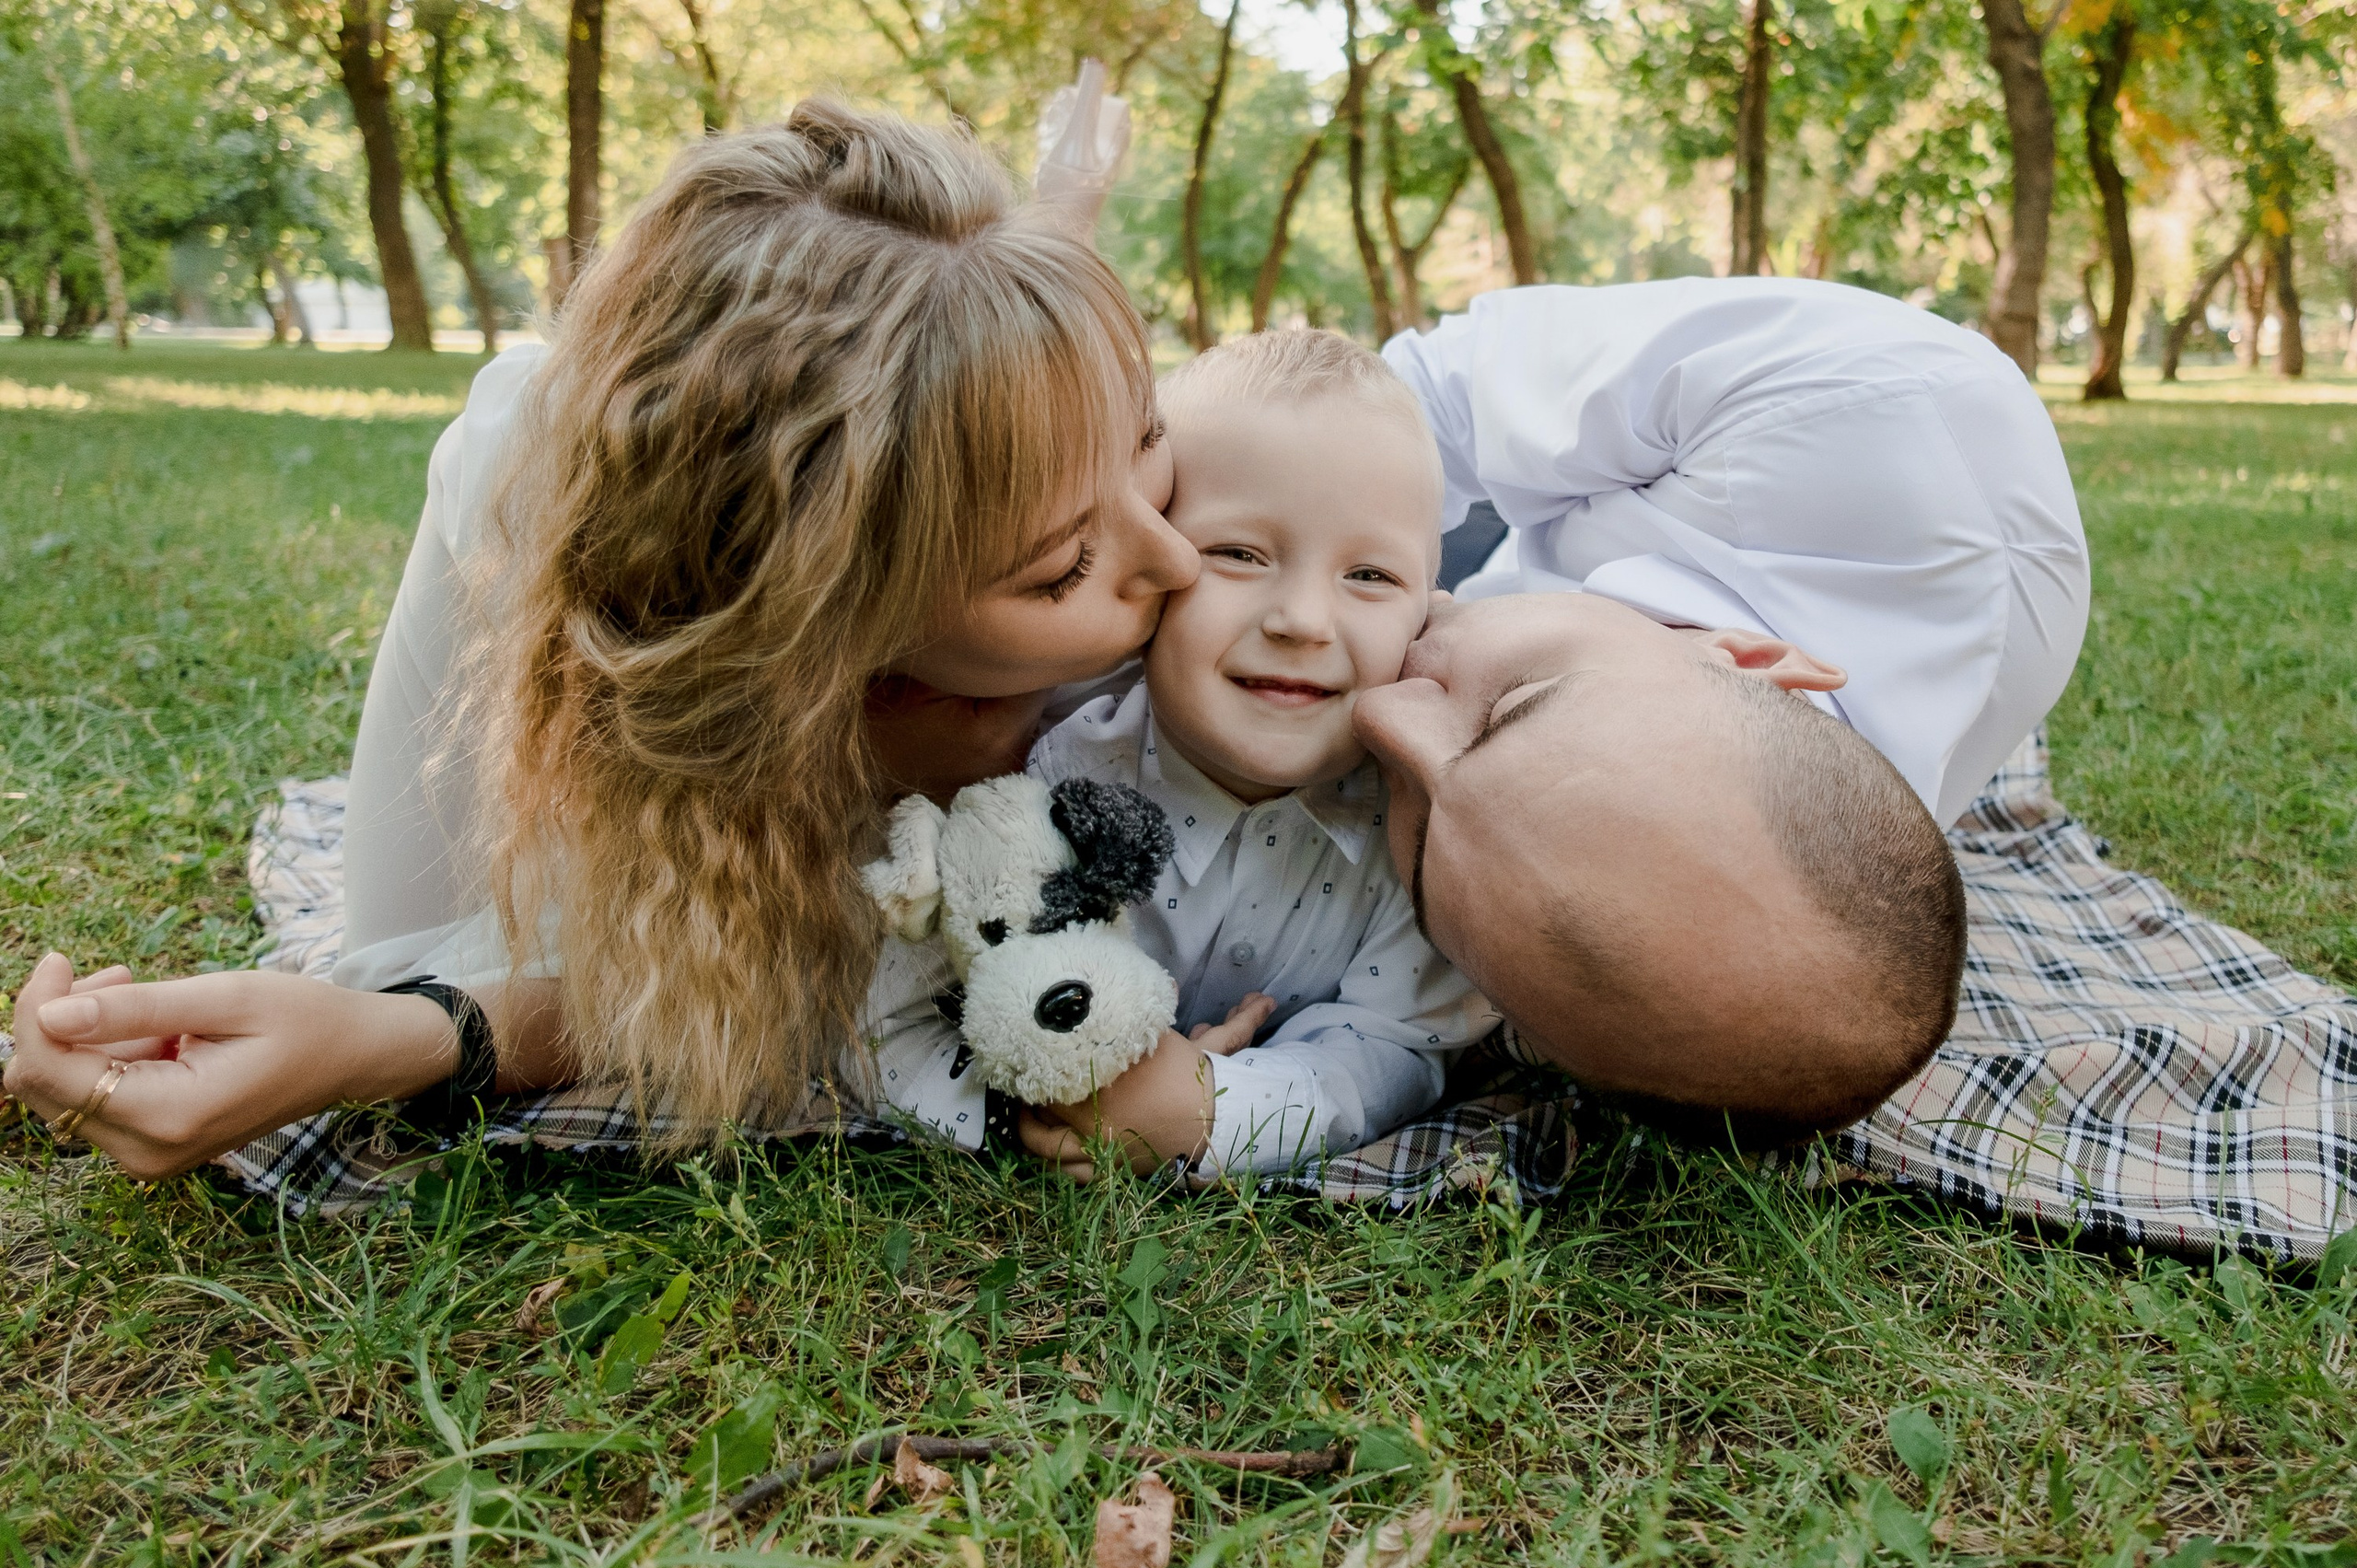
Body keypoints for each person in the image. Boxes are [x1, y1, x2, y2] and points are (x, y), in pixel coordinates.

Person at [5, 99, 1202, 1176]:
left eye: (1149, 441)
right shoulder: (665, 627)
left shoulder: (1123, 552)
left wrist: (1056, 231)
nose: (1178, 558)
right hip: (582, 527)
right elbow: (668, 978)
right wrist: (376, 1039)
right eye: (1063, 567)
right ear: (825, 639)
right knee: (389, 953)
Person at [1353, 278, 2086, 1140]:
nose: (1379, 716)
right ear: (1746, 658)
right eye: (1513, 707)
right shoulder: (1858, 403)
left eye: (1420, 855)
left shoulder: (1737, 921)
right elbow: (1409, 400)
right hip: (1508, 491)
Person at [879, 330, 1501, 1179]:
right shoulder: (1041, 769)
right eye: (1238, 555)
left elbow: (1391, 1044)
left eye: (1370, 578)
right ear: (1155, 567)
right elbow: (896, 1001)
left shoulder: (1415, 834)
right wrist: (1011, 1106)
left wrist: (1213, 1110)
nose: (1302, 621)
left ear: (1426, 613)